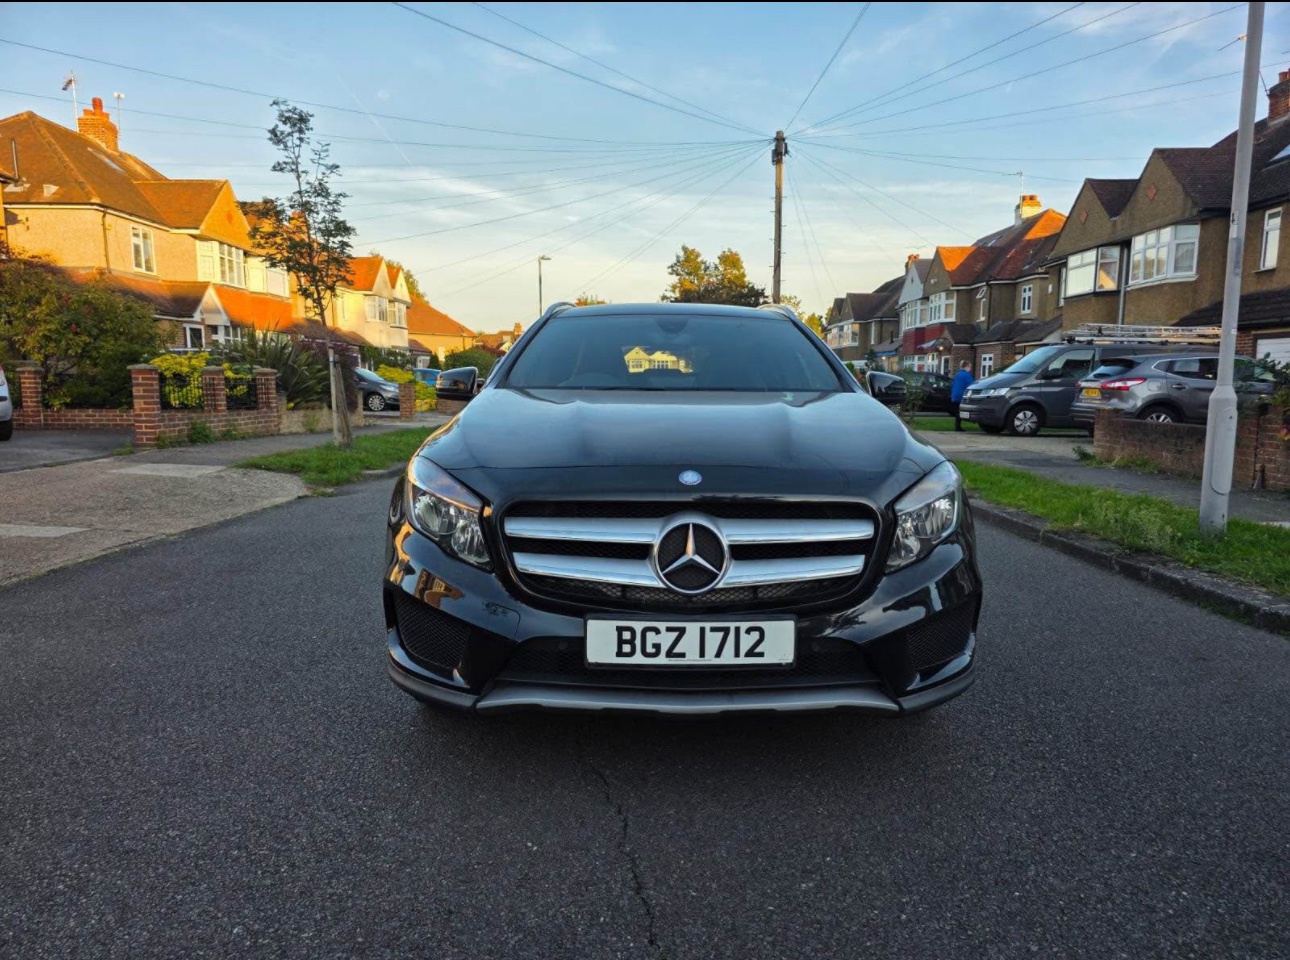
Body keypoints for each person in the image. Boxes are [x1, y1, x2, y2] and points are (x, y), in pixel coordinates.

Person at [950, 360, 975, 432]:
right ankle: (958, 427)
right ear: (966, 366)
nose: (970, 368)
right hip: (961, 395)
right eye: (969, 367)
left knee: (958, 411)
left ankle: (957, 426)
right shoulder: (967, 375)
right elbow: (972, 385)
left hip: (954, 395)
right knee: (960, 412)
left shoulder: (957, 374)